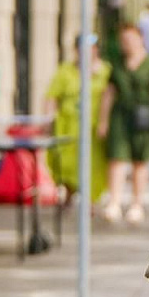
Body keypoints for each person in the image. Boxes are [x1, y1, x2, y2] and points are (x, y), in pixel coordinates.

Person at [98, 24, 149, 225]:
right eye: (124, 41)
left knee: (140, 160)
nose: (127, 44)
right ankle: (114, 202)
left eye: (130, 39)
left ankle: (136, 204)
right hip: (120, 116)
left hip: (143, 116)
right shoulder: (117, 64)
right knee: (117, 158)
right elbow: (109, 93)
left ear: (140, 39)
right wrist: (102, 121)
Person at [45, 35, 111, 205]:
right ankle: (68, 195)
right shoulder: (66, 70)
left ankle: (91, 201)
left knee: (93, 164)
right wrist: (48, 118)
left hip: (93, 127)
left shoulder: (105, 71)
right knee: (67, 165)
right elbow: (52, 96)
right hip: (68, 125)